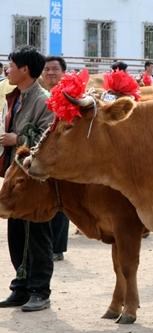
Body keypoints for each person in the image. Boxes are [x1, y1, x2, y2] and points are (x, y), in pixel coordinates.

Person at [0, 46, 54, 311]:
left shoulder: (44, 100)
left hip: (34, 181)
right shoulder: (16, 97)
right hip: (16, 176)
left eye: (10, 65)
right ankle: (20, 287)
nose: (7, 69)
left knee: (37, 234)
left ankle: (40, 291)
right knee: (16, 233)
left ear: (25, 69)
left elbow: (48, 138)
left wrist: (17, 139)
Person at [39, 56, 71, 262]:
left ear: (63, 72)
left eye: (55, 69)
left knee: (62, 201)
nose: (50, 73)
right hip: (42, 156)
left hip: (64, 156)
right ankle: (45, 246)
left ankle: (57, 248)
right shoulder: (39, 96)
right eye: (47, 69)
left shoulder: (72, 95)